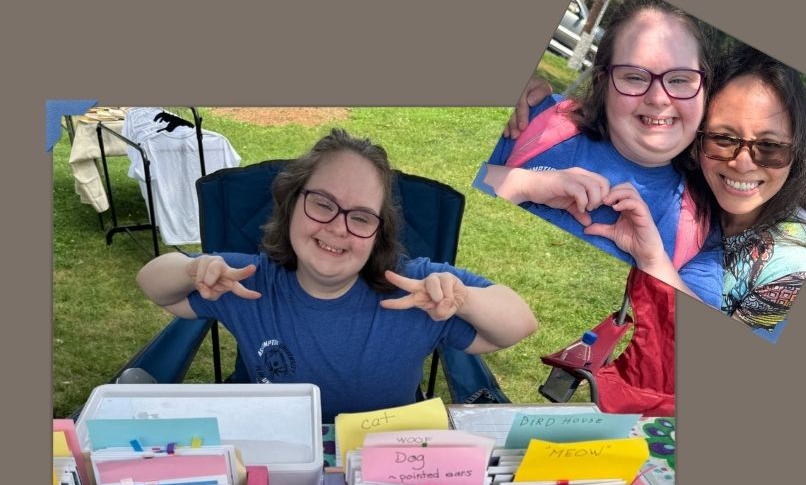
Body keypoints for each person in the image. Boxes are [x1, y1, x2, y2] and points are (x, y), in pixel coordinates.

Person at [136, 128, 538, 422]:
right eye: (322, 204)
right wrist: (193, 270)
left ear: (379, 232)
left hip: (386, 464)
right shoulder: (248, 280)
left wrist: (463, 298)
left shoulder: (414, 290)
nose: (338, 227)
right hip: (278, 452)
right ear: (291, 205)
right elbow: (155, 285)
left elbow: (518, 324)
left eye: (361, 217)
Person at [475, 0, 723, 307]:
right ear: (603, 81)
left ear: (705, 88)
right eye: (634, 76)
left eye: (681, 80)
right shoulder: (534, 118)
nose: (659, 98)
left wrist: (654, 263)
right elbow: (445, 182)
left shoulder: (704, 220)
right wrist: (525, 184)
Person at [678, 46, 806, 330]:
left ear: (797, 153)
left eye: (769, 146)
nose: (742, 164)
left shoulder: (794, 269)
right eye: (723, 137)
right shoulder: (681, 188)